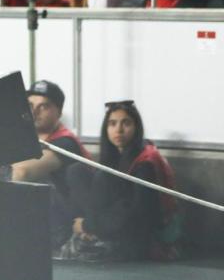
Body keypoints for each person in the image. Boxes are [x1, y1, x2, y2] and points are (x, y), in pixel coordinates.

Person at [57, 101, 180, 261]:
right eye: (112, 124)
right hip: (113, 222)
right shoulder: (116, 157)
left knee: (103, 177)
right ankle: (93, 234)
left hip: (144, 234)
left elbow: (139, 213)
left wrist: (89, 224)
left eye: (126, 123)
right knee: (76, 171)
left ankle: (91, 232)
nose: (119, 130)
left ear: (137, 128)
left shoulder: (145, 163)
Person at [12, 79, 91, 247]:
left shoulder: (66, 142)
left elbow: (22, 173)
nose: (34, 112)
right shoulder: (26, 141)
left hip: (67, 232)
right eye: (30, 105)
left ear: (59, 112)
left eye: (44, 106)